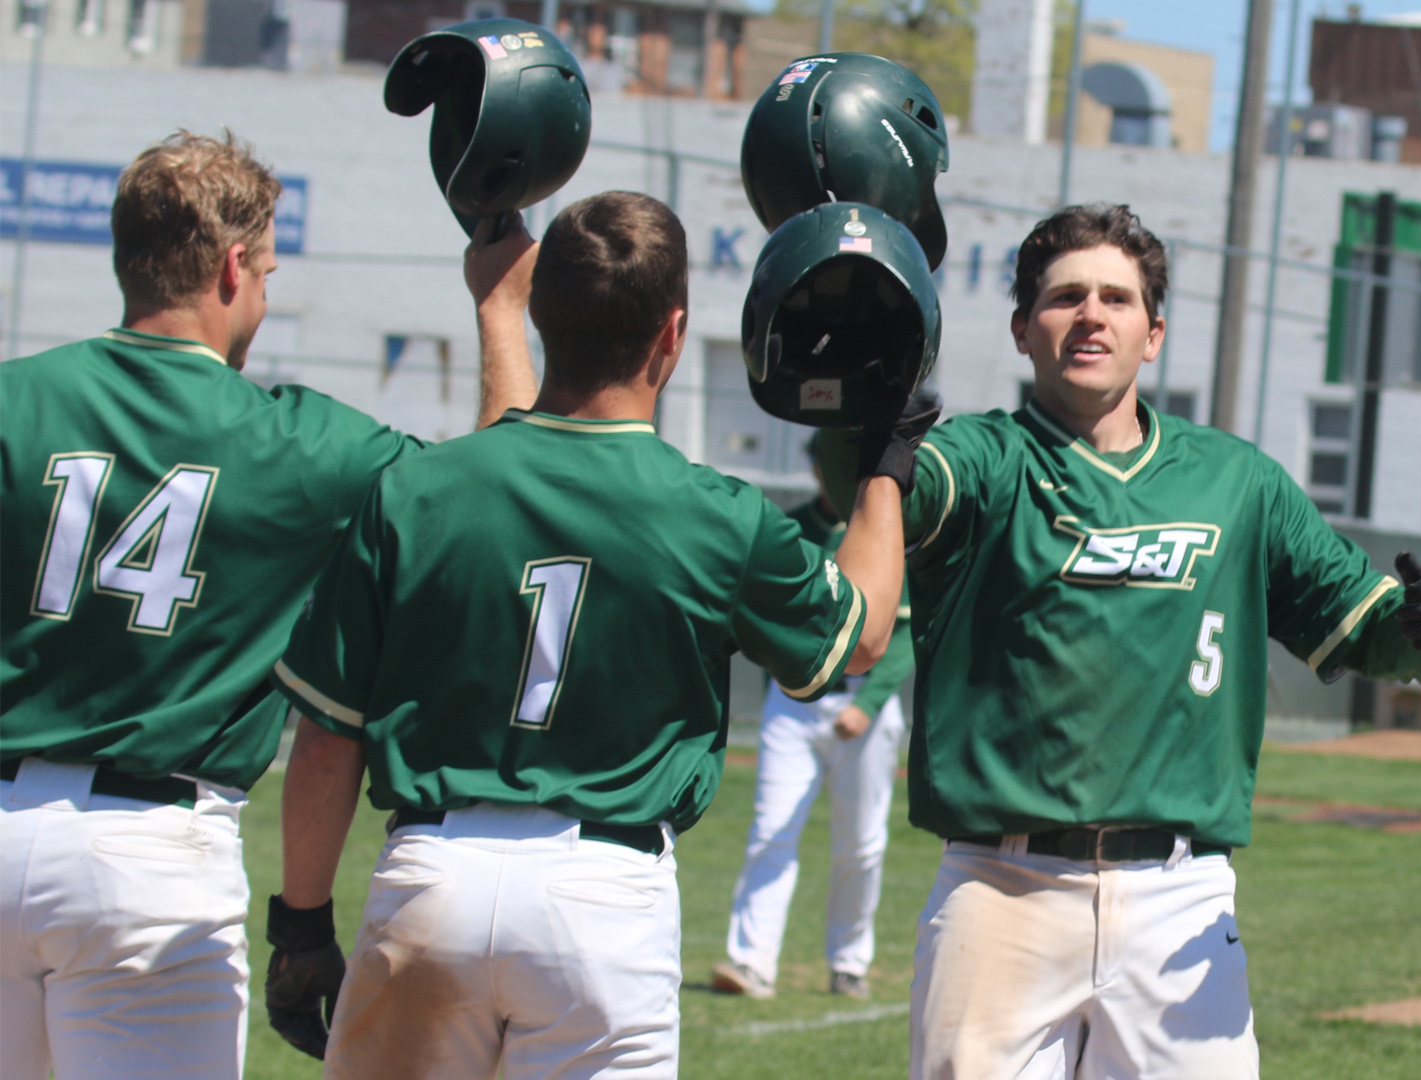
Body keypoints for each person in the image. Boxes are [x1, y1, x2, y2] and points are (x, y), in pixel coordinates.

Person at [265, 191, 920, 1078]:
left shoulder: (418, 491)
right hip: (603, 898)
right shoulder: (720, 517)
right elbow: (860, 636)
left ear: (543, 316)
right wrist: (885, 454)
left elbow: (326, 739)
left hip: (433, 872)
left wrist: (301, 924)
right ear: (674, 332)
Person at [823, 203, 1421, 1079]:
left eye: (1117, 299)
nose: (1092, 315)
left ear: (1154, 332)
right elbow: (890, 484)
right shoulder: (984, 460)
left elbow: (1359, 626)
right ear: (1022, 330)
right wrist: (862, 418)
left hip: (1181, 895)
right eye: (1064, 299)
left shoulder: (1236, 482)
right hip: (1001, 889)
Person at [0, 130, 529, 1080]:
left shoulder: (12, 400)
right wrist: (500, 307)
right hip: (146, 858)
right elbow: (498, 497)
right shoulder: (299, 444)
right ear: (235, 265)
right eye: (269, 270)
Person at [713, 441, 915, 1002]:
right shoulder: (791, 529)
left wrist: (867, 704)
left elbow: (902, 635)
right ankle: (749, 961)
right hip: (795, 701)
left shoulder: (888, 530)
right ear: (816, 468)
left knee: (862, 844)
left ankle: (849, 963)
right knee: (771, 830)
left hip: (864, 710)